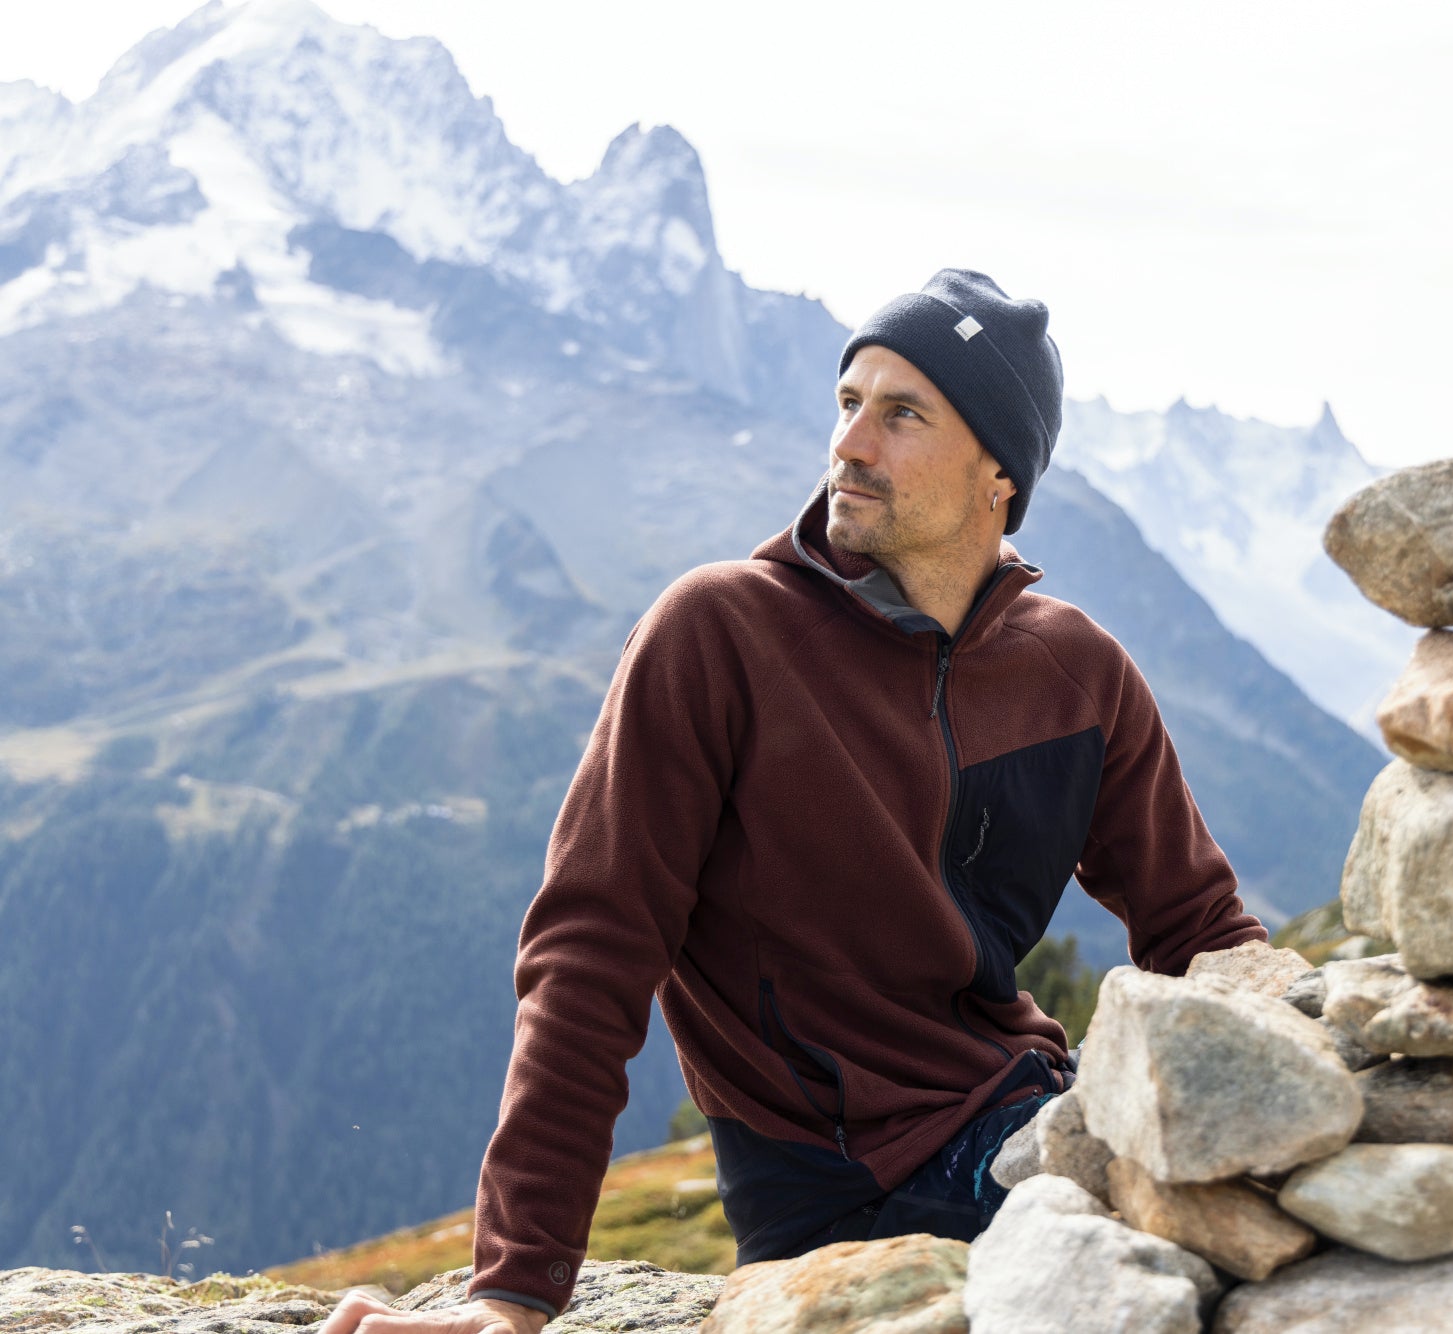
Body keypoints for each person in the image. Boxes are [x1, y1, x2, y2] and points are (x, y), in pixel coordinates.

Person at [324, 270, 1263, 1334]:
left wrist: (1337, 1071)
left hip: (1021, 1113)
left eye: (901, 412)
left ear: (999, 471)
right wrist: (511, 1289)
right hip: (846, 1193)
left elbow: (1201, 932)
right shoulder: (721, 635)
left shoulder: (1074, 669)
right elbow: (589, 953)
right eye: (847, 402)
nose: (850, 442)